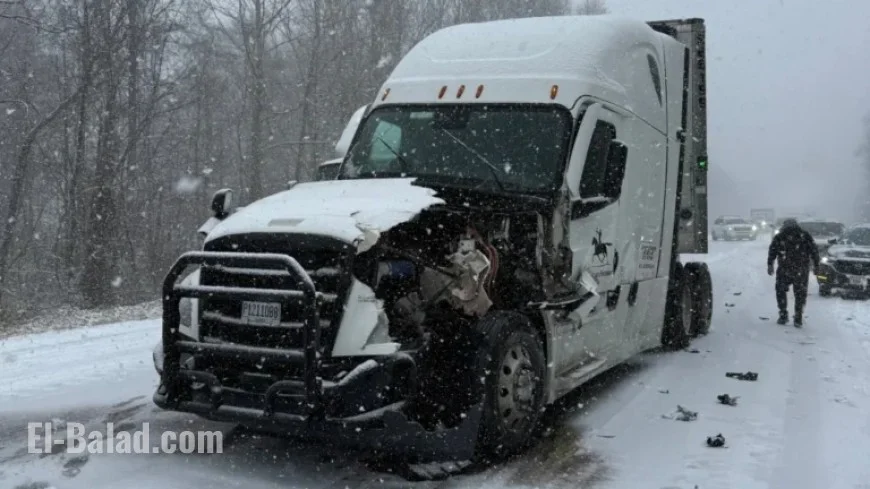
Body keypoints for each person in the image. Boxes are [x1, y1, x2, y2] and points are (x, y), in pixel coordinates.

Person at [767, 219, 820, 327]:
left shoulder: (780, 236)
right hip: (800, 270)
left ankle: (783, 315)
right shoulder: (804, 235)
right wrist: (816, 265)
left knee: (781, 291)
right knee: (800, 294)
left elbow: (772, 251)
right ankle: (798, 317)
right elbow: (814, 250)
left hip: (785, 269)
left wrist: (770, 264)